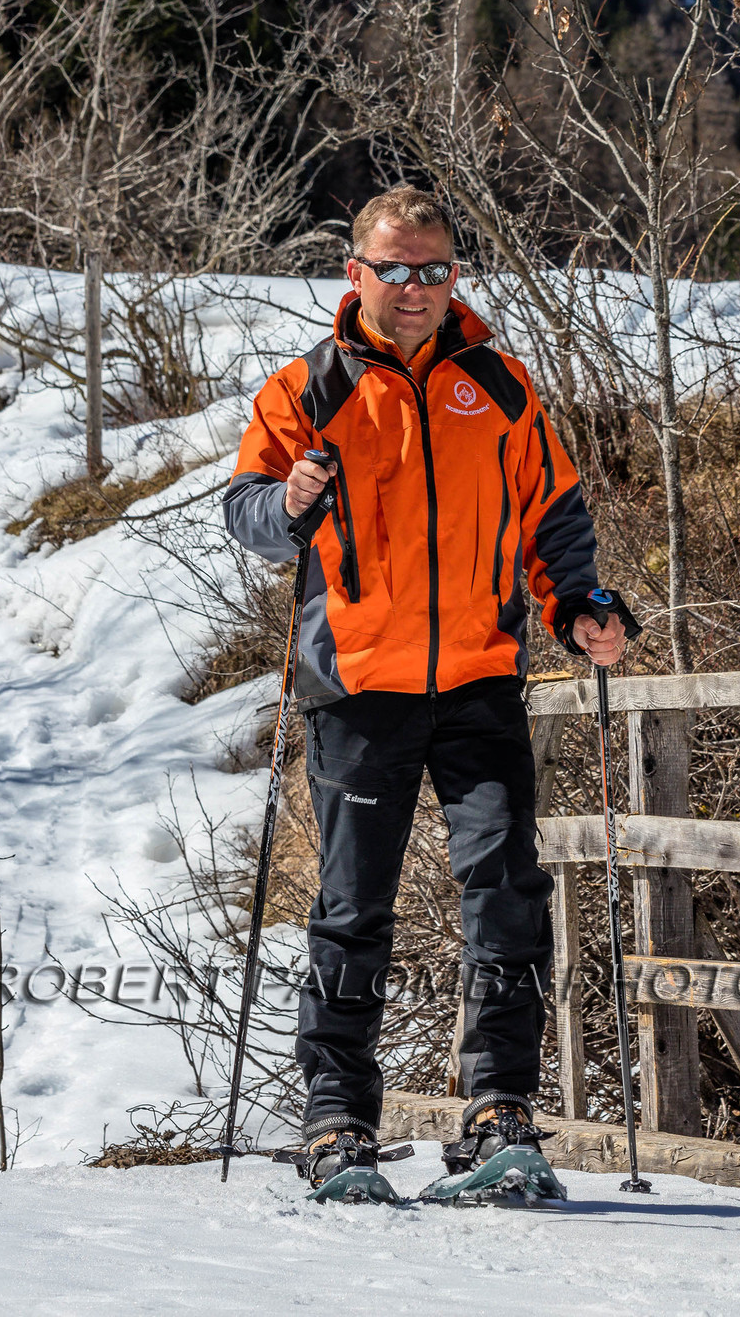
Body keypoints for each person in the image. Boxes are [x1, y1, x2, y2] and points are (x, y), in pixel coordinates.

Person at [224, 185, 635, 1200]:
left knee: (506, 892)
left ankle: (499, 1109)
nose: (416, 290)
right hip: (356, 686)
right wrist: (286, 504)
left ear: (457, 274)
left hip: (481, 677)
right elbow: (246, 511)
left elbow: (554, 515)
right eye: (396, 270)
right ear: (355, 273)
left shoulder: (498, 384)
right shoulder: (306, 389)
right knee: (352, 906)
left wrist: (579, 602)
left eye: (435, 269)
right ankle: (336, 1120)